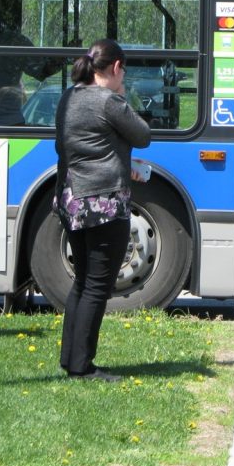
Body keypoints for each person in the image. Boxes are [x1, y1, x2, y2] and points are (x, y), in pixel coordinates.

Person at [54, 39, 151, 381]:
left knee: (82, 282)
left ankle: (71, 359)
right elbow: (143, 135)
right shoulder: (110, 101)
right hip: (104, 203)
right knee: (97, 286)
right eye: (123, 72)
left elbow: (74, 146)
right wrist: (122, 96)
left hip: (72, 199)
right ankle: (82, 366)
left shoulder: (69, 97)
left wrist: (121, 160)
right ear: (116, 67)